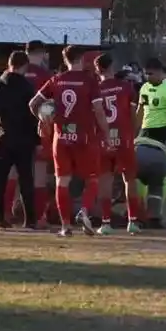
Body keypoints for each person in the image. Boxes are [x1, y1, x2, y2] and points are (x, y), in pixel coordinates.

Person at [30, 45, 110, 236]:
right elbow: (98, 111)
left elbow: (33, 104)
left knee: (62, 181)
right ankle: (83, 210)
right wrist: (106, 133)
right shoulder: (90, 81)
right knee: (92, 178)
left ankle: (66, 226)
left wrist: (42, 120)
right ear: (81, 58)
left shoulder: (56, 80)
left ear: (65, 59)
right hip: (85, 137)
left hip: (61, 138)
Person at [0, 50, 39, 231]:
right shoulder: (27, 86)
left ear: (9, 63)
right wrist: (37, 138)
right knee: (26, 180)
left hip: (3, 135)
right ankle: (30, 220)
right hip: (24, 138)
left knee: (0, 178)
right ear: (24, 65)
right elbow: (34, 115)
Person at [0, 40, 53, 224]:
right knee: (38, 175)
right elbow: (48, 107)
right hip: (37, 130)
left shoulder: (8, 74)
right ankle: (38, 217)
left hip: (11, 129)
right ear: (42, 53)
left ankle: (4, 214)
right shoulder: (45, 75)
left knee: (11, 174)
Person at [94, 53, 141, 235]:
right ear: (112, 66)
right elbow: (133, 115)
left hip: (104, 139)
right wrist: (132, 134)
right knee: (130, 179)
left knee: (105, 179)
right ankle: (133, 221)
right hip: (124, 138)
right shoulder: (126, 87)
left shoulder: (95, 89)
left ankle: (105, 222)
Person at [137, 58, 166, 146]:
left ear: (159, 72)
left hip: (161, 130)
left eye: (150, 74)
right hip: (145, 129)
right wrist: (135, 134)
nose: (148, 77)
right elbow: (140, 111)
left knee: (157, 159)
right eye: (146, 74)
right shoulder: (144, 88)